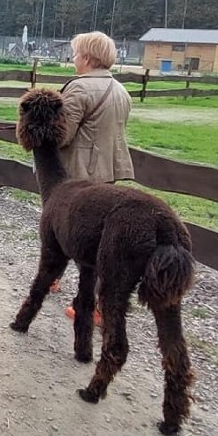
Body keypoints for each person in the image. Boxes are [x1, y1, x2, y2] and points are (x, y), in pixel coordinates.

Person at [54, 30, 134, 322]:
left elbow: (63, 137)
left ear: (87, 58)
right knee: (100, 238)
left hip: (79, 174)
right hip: (106, 173)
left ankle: (88, 302)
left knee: (72, 233)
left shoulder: (79, 89)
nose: (73, 59)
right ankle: (99, 300)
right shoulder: (121, 91)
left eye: (76, 54)